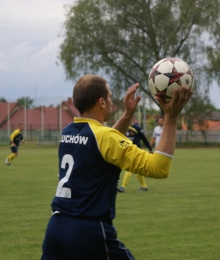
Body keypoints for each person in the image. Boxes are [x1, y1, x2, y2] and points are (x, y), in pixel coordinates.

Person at [41, 74, 193, 260]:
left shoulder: (68, 131)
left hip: (56, 228)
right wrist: (171, 117)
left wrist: (128, 114)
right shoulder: (105, 137)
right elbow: (159, 168)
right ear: (102, 102)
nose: (113, 103)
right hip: (87, 232)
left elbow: (105, 143)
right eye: (110, 97)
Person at [117, 120, 153, 192]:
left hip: (136, 151)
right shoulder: (124, 128)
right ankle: (144, 186)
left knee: (129, 169)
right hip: (127, 152)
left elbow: (144, 139)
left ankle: (123, 187)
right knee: (137, 170)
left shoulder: (137, 128)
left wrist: (150, 149)